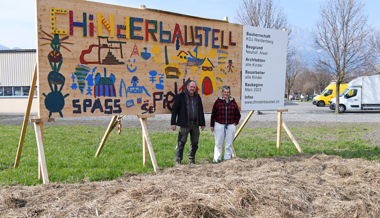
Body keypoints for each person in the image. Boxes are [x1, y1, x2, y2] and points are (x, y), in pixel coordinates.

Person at [171, 80, 205, 165]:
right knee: (181, 143)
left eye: (194, 87)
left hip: (195, 124)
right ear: (187, 87)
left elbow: (201, 110)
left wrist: (203, 123)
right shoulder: (181, 96)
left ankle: (191, 160)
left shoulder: (198, 97)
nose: (192, 89)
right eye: (191, 87)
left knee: (195, 144)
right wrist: (173, 122)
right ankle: (178, 161)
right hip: (184, 124)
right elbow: (175, 110)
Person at [210, 86, 241, 163]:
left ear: (229, 93)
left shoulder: (233, 102)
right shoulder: (218, 102)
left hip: (230, 125)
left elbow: (238, 114)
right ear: (222, 92)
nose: (226, 93)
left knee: (229, 143)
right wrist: (212, 125)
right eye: (225, 92)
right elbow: (213, 114)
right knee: (218, 143)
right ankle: (217, 159)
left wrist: (235, 122)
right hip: (219, 124)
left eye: (227, 92)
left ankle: (227, 159)